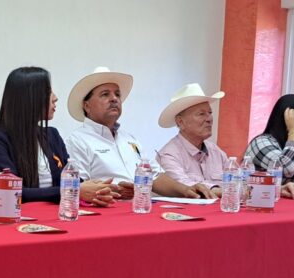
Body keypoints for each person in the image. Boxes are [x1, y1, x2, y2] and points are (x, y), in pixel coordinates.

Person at [64, 67, 210, 199]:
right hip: (106, 211)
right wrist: (115, 190)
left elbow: (154, 176)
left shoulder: (129, 139)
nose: (114, 99)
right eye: (105, 94)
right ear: (87, 105)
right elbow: (79, 187)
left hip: (139, 207)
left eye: (117, 94)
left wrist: (186, 190)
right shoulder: (77, 140)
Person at [0, 67, 116, 205]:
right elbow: (8, 191)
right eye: (48, 92)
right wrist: (72, 189)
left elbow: (70, 180)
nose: (55, 98)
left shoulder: (52, 135)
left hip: (57, 216)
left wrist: (98, 190)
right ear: (29, 98)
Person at [155, 83, 229, 197]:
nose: (209, 119)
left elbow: (237, 180)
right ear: (180, 122)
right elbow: (185, 187)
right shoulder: (169, 154)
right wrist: (222, 191)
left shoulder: (215, 151)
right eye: (201, 114)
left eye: (210, 113)